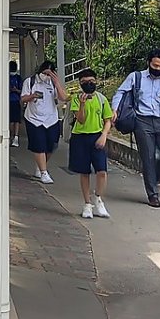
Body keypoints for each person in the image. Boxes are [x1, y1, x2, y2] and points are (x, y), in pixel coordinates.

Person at [112, 48, 160, 207]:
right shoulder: (136, 77)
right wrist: (114, 109)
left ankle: (152, 179)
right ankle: (153, 194)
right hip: (142, 120)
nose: (156, 69)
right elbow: (120, 92)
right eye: (154, 65)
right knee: (148, 157)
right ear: (149, 62)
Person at [69, 69, 112, 219]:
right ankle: (87, 204)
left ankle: (98, 199)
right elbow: (80, 119)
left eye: (92, 81)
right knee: (84, 171)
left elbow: (108, 120)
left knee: (102, 171)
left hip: (97, 136)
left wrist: (104, 135)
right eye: (85, 82)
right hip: (80, 137)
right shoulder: (76, 98)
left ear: (96, 81)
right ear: (80, 84)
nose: (89, 84)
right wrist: (81, 104)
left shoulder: (101, 99)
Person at [20, 60, 67, 183]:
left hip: (51, 119)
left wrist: (56, 82)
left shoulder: (52, 83)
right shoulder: (30, 82)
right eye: (45, 73)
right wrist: (32, 96)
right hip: (34, 119)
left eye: (50, 74)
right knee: (39, 145)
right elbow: (23, 99)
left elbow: (64, 98)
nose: (46, 76)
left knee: (51, 146)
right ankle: (43, 172)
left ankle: (41, 166)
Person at [8, 60, 23, 147]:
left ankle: (15, 137)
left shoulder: (18, 78)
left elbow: (22, 91)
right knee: (12, 121)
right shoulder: (7, 77)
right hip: (11, 101)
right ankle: (12, 137)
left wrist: (15, 90)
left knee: (15, 121)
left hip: (15, 101)